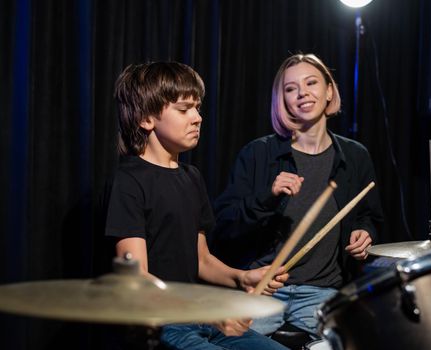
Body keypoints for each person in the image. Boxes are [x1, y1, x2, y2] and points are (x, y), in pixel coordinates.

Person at [104, 61, 289, 350]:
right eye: (184, 109)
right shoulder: (129, 181)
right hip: (162, 324)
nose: (197, 118)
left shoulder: (192, 177)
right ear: (146, 119)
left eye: (198, 108)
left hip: (199, 319)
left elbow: (201, 260)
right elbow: (136, 277)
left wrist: (241, 278)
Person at [210, 53, 383, 340]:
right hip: (264, 289)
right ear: (283, 100)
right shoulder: (258, 154)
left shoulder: (355, 156)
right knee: (224, 341)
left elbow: (369, 215)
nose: (302, 93)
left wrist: (365, 233)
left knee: (359, 341)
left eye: (311, 83)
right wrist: (268, 197)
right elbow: (224, 227)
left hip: (323, 292)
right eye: (291, 88)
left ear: (329, 91)